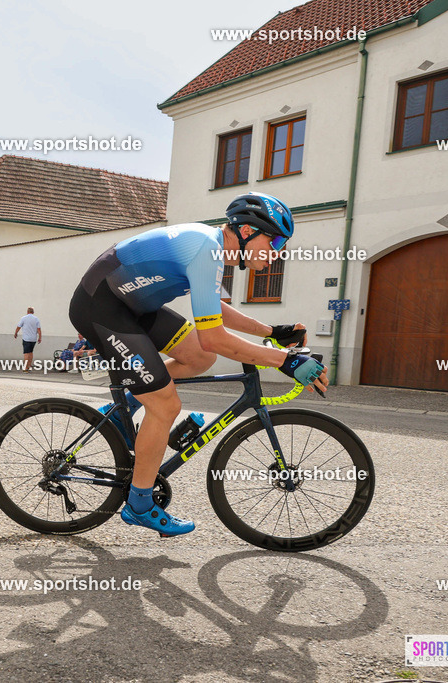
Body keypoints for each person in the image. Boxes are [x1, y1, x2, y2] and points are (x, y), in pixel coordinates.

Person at [69, 191, 326, 537]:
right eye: (275, 240)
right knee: (165, 405)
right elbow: (214, 337)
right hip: (100, 308)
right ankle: (139, 505)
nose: (277, 252)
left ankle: (124, 408)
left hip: (133, 307)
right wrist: (286, 361)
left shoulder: (212, 248)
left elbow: (213, 313)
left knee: (200, 358)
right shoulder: (207, 249)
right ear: (247, 231)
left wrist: (272, 332)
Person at [13, 306, 41, 373]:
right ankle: (29, 366)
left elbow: (18, 327)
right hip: (33, 339)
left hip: (26, 338)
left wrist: (16, 333)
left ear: (27, 312)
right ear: (33, 312)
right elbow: (39, 330)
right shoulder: (36, 319)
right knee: (31, 352)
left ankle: (25, 368)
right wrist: (40, 338)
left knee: (26, 353)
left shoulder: (23, 318)